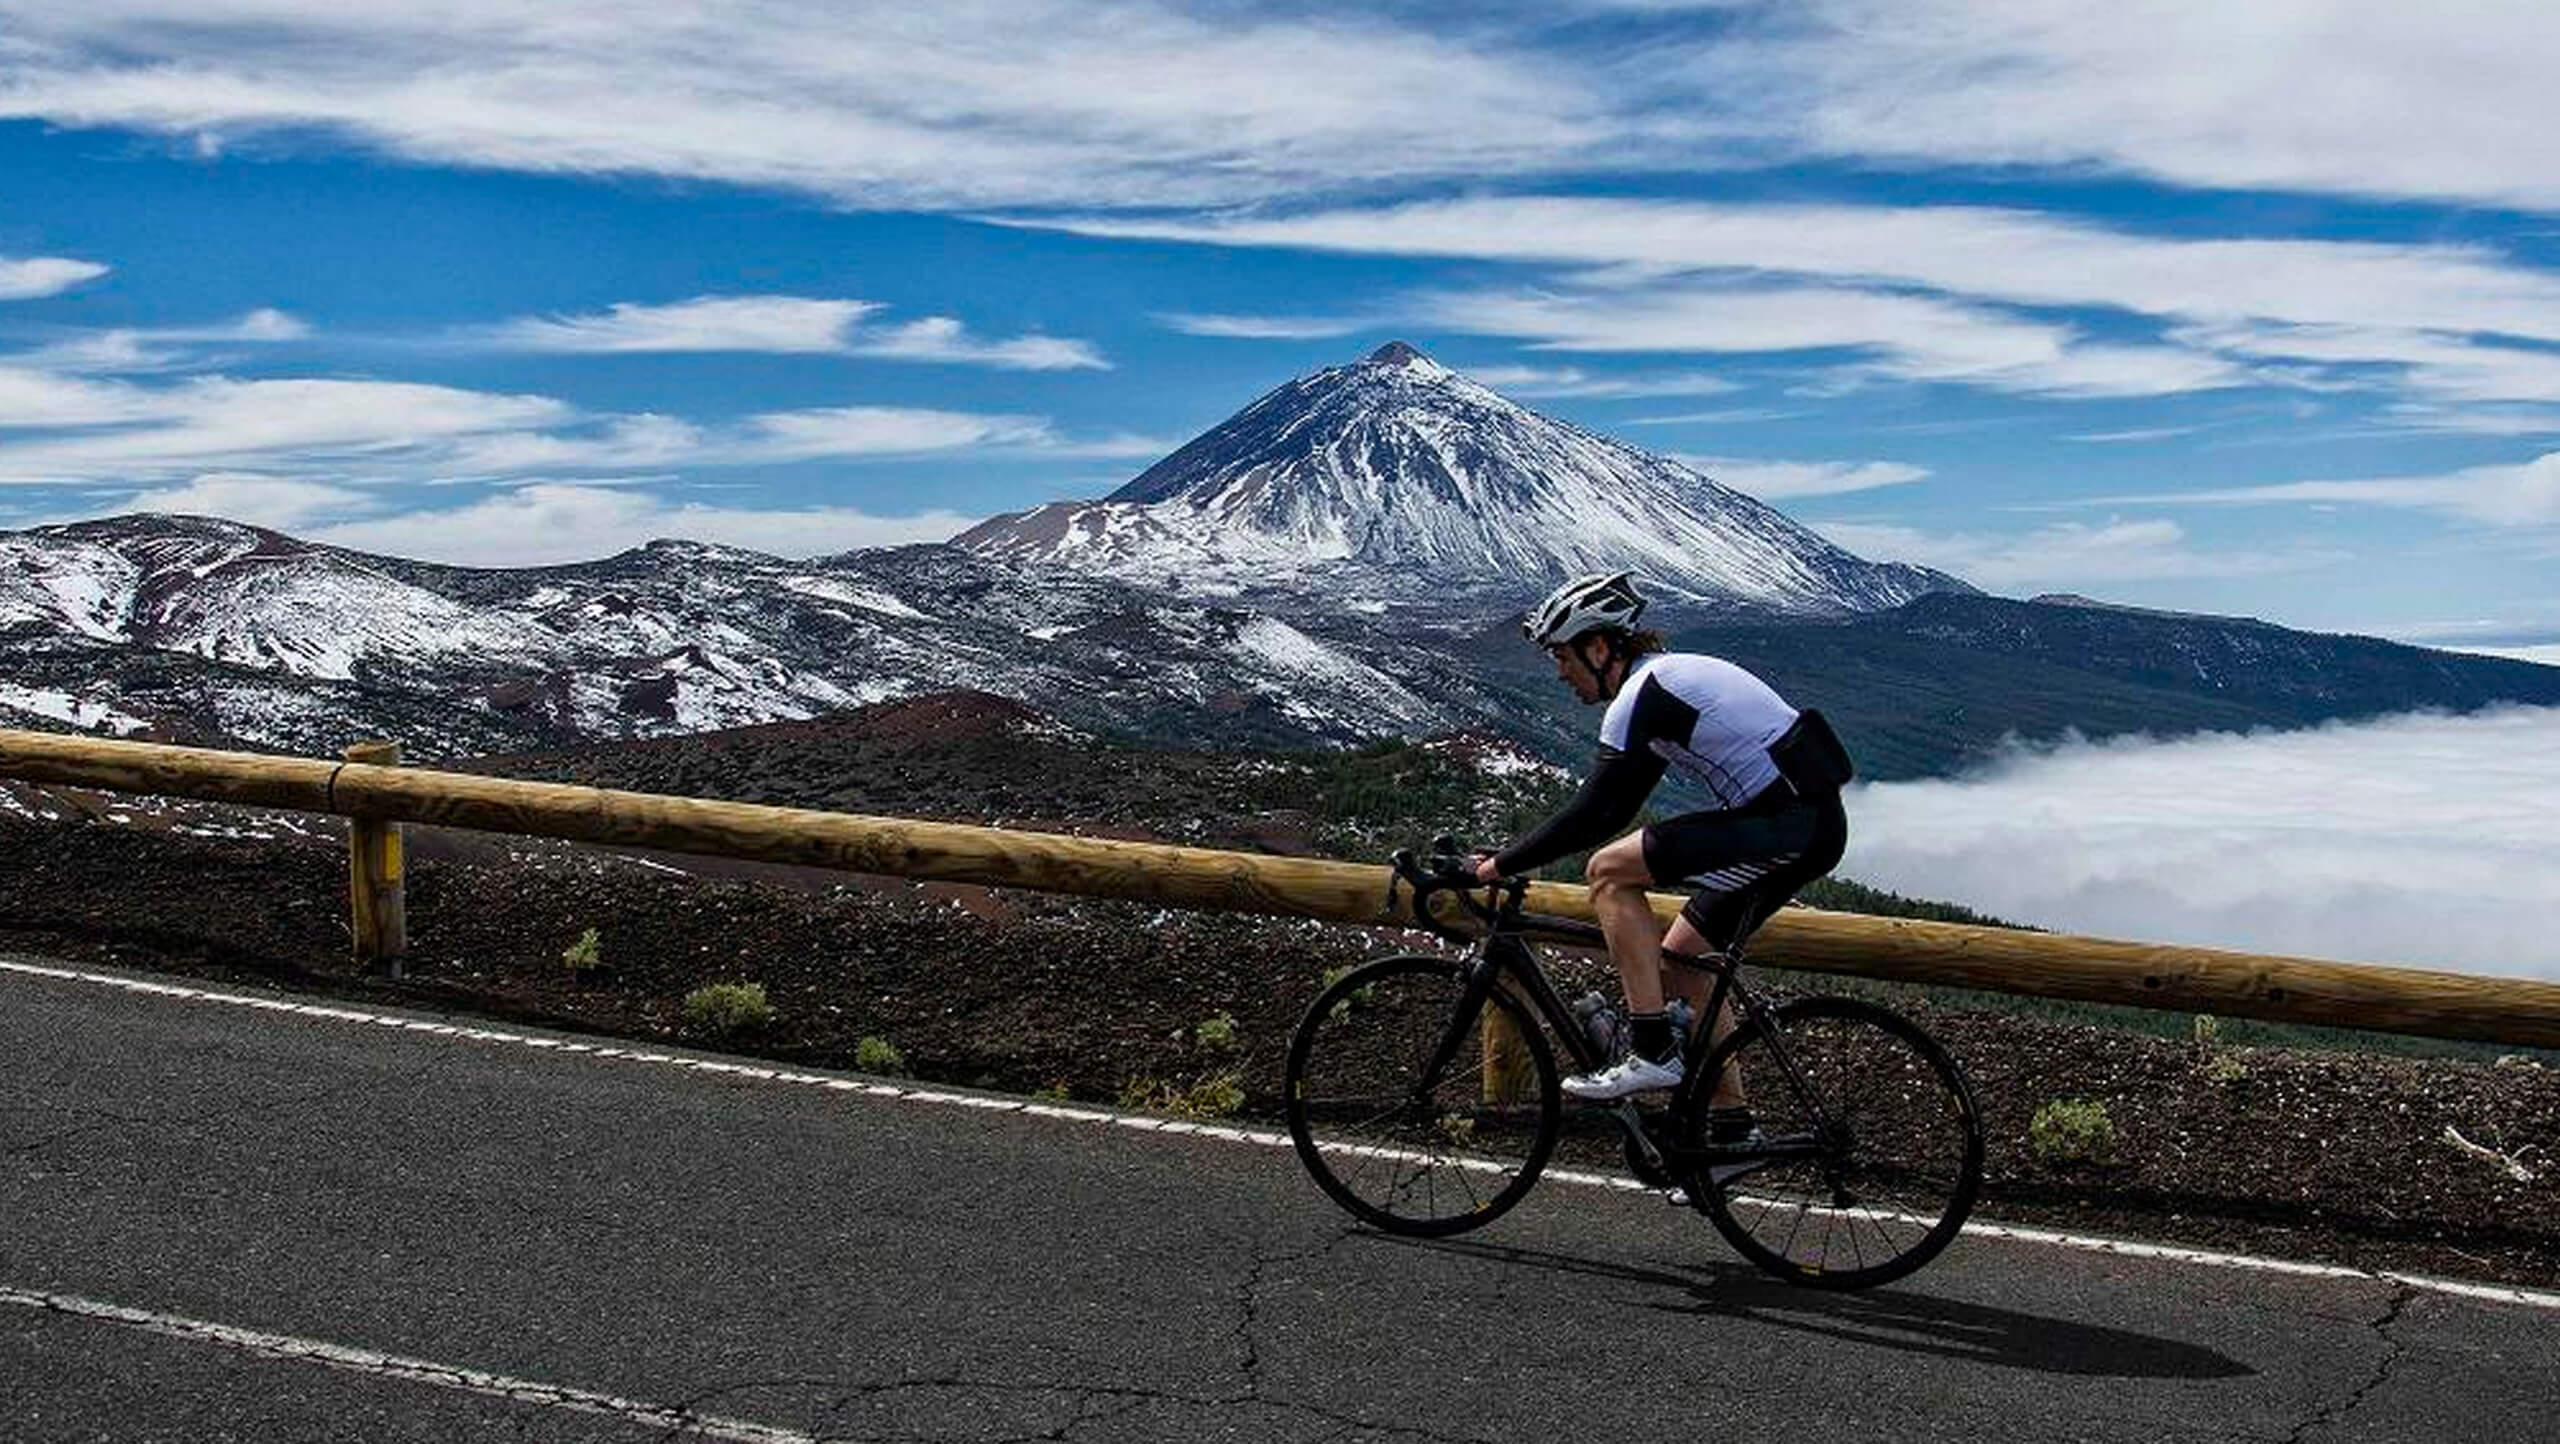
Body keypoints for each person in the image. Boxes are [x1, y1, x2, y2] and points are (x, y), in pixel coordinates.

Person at [1472, 571, 1852, 1110]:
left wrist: (1496, 867)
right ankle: (1730, 1128)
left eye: (1562, 656)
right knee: (1684, 960)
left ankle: (1650, 1047)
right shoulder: (1667, 683)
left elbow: (1596, 816)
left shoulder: (1642, 695)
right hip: (1805, 826)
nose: (1560, 672)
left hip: (1785, 827)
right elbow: (1618, 804)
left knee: (1607, 870)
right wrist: (1513, 859)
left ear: (1599, 647)